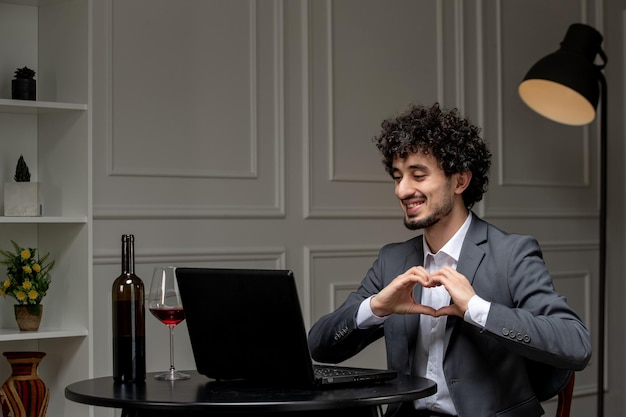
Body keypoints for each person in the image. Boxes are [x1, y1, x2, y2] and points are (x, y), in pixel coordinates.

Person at [308, 103, 592, 417]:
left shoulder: (512, 253)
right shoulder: (393, 259)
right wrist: (376, 307)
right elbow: (320, 346)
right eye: (397, 176)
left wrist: (477, 310)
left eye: (417, 175)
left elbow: (576, 345)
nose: (402, 190)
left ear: (459, 181)